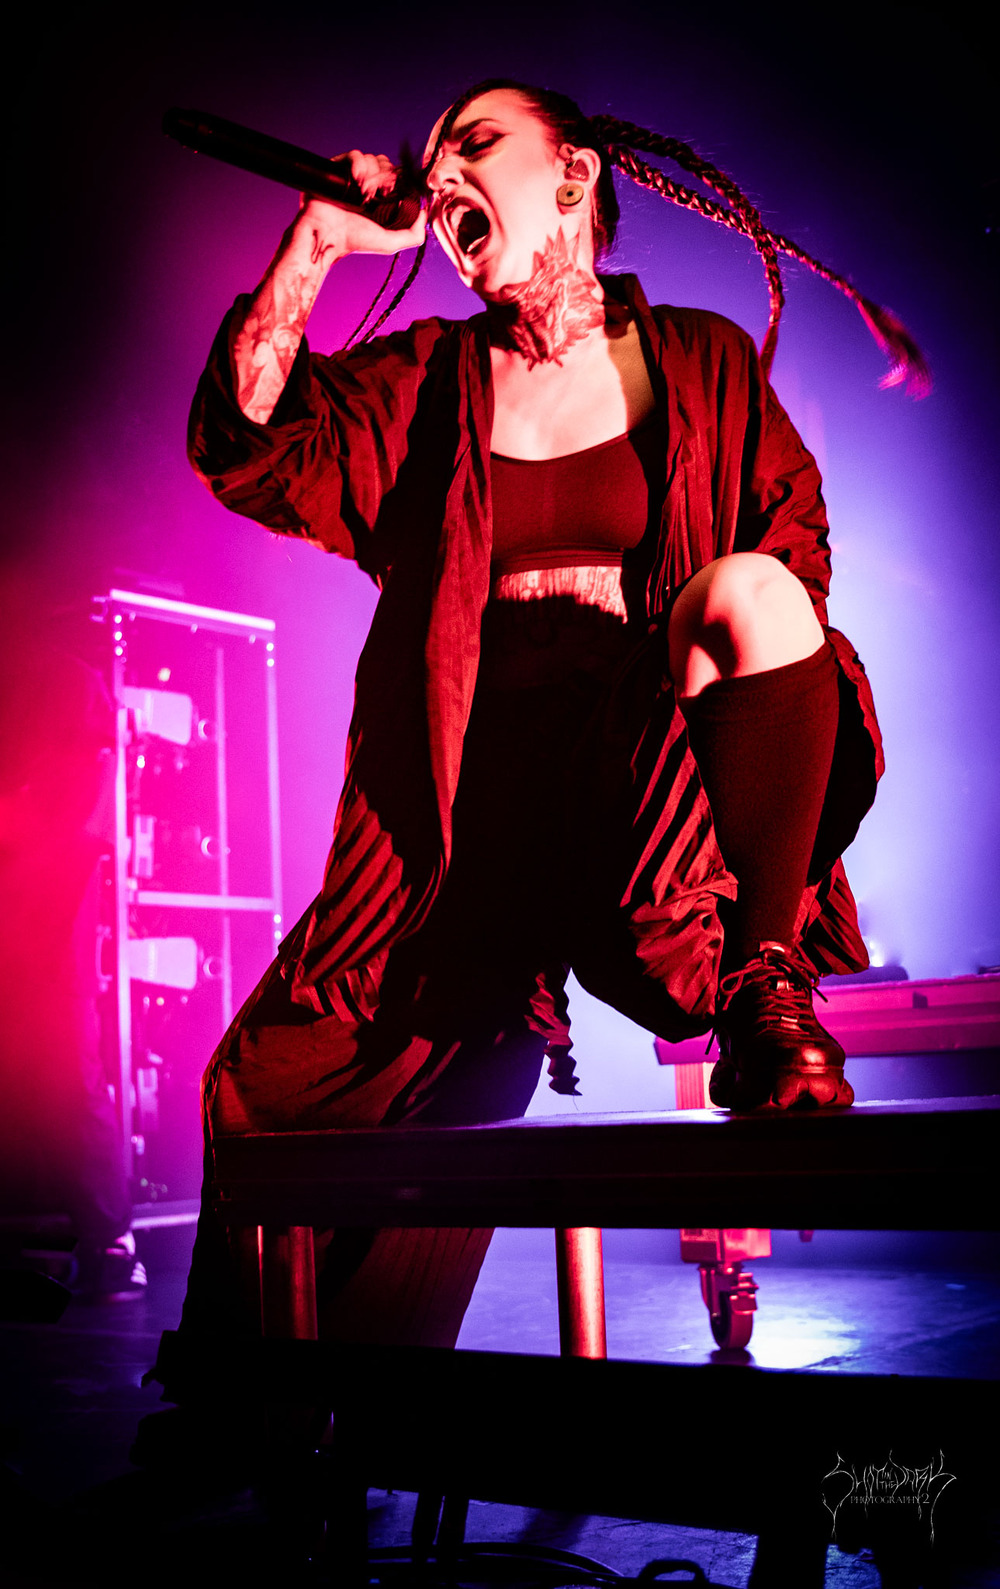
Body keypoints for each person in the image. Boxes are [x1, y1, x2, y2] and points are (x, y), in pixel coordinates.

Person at [181, 80, 924, 1347]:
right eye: (432, 162)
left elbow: (789, 576)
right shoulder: (427, 380)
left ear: (573, 175)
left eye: (477, 143)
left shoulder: (699, 362)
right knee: (276, 1078)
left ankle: (762, 987)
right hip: (464, 826)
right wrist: (315, 240)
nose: (442, 176)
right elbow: (248, 444)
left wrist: (644, 660)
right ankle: (289, 1396)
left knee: (751, 588)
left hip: (639, 808)